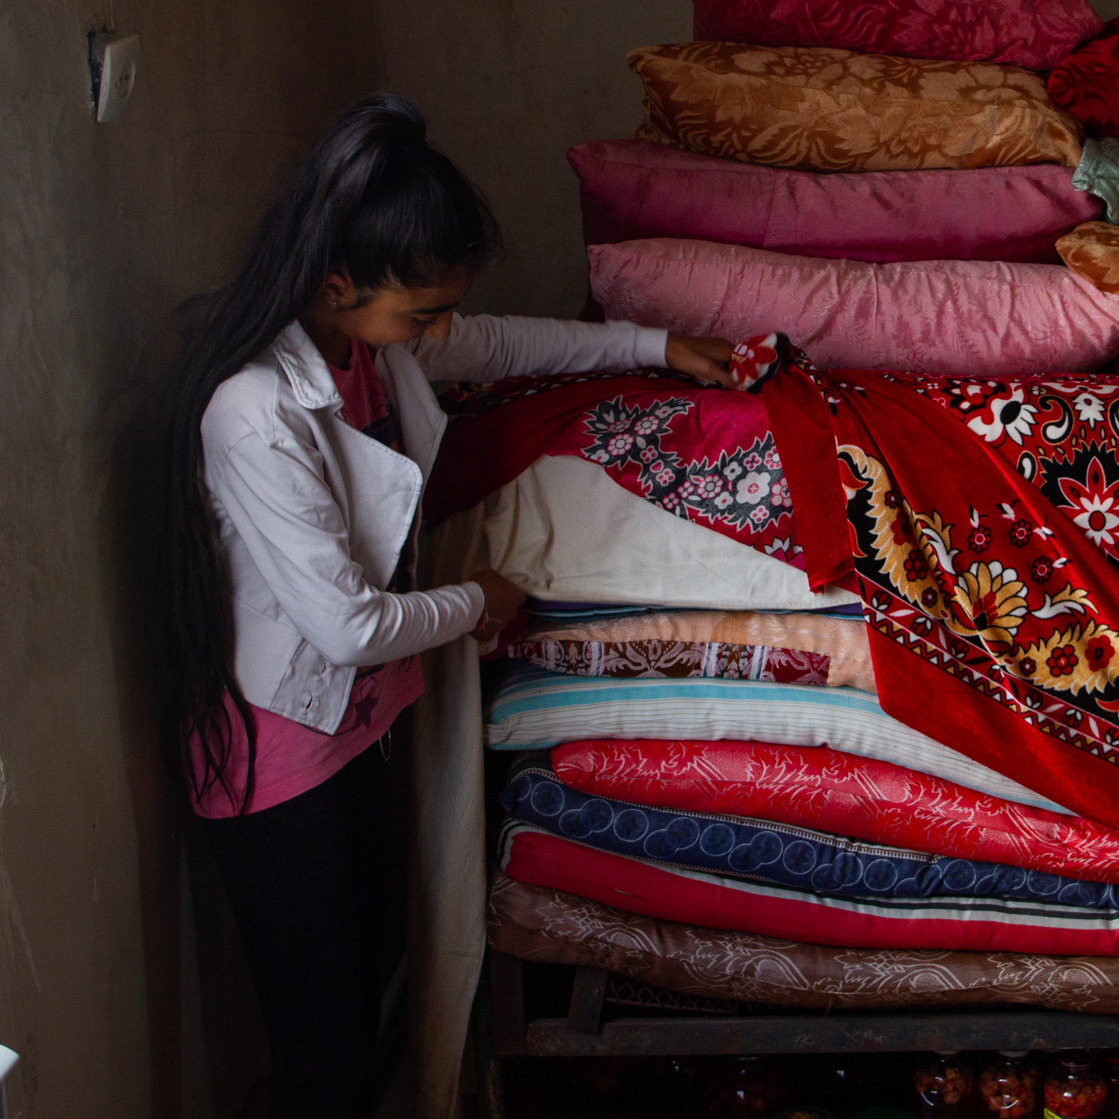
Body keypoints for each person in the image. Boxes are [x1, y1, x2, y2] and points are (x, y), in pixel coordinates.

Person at [152, 93, 733, 1116]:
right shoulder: (253, 410)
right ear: (339, 280)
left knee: (365, 1015)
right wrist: (479, 601)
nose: (437, 331)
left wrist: (651, 347)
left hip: (350, 731)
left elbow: (502, 345)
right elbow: (345, 625)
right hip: (279, 765)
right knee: (322, 1057)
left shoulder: (367, 347)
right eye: (421, 312)